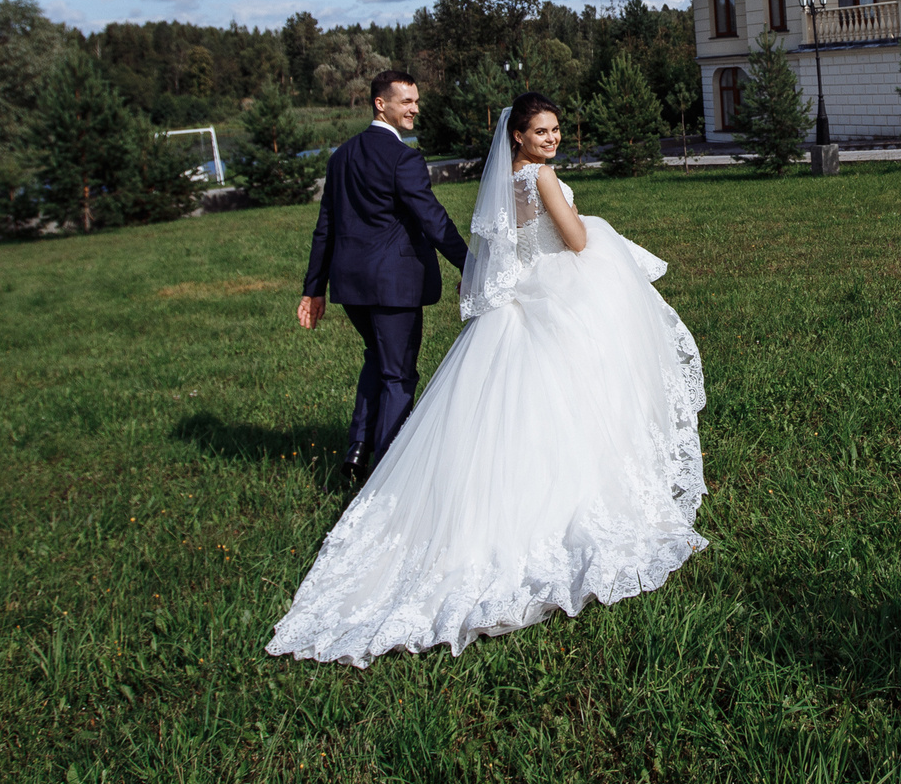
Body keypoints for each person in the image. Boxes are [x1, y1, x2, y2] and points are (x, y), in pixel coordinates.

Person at [268, 93, 707, 662]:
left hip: (513, 303)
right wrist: (599, 230)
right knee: (580, 400)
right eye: (541, 131)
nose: (552, 139)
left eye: (555, 130)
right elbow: (574, 241)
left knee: (501, 417)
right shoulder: (542, 179)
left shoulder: (506, 181)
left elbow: (498, 250)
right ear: (518, 136)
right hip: (552, 296)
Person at [299, 71, 469, 490]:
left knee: (376, 358)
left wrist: (313, 289)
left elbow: (326, 228)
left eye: (416, 101)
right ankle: (388, 469)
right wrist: (471, 264)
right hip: (393, 285)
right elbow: (432, 217)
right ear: (381, 104)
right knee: (398, 375)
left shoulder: (341, 156)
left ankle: (358, 449)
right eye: (406, 101)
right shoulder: (402, 158)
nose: (414, 108)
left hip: (351, 284)